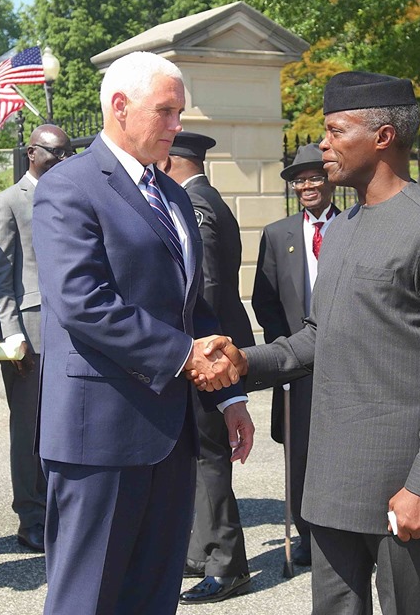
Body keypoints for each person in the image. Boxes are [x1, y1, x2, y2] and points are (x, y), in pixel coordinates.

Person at [235, 71, 420, 615]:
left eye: (335, 130)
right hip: (329, 482)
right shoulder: (342, 229)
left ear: (383, 137)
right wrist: (241, 361)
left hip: (401, 486)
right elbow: (315, 340)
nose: (323, 145)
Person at [32, 50, 255, 615]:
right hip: (99, 437)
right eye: (167, 112)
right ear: (120, 107)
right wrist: (186, 358)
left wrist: (228, 394)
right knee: (88, 599)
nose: (178, 126)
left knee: (154, 596)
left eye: (180, 112)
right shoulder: (69, 187)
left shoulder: (174, 195)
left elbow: (194, 307)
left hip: (171, 432)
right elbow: (83, 302)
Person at [158, 132, 254, 604]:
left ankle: (227, 563)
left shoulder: (195, 205)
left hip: (208, 351)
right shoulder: (206, 198)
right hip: (203, 348)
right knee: (197, 452)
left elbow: (208, 287)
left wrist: (205, 351)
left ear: (174, 161)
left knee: (208, 456)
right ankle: (201, 549)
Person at [0, 124, 73, 552]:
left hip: (72, 324)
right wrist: (12, 336)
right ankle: (31, 517)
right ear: (32, 153)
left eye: (68, 153)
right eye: (55, 154)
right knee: (29, 425)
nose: (63, 161)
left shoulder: (73, 195)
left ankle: (62, 507)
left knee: (66, 420)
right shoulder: (6, 202)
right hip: (31, 327)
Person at [251, 142, 338, 567]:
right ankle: (307, 536)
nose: (308, 186)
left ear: (329, 181)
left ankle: (347, 532)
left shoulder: (354, 225)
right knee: (299, 453)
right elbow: (264, 300)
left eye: (315, 177)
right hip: (297, 368)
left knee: (343, 449)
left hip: (344, 362)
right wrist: (282, 353)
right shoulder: (277, 234)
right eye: (300, 180)